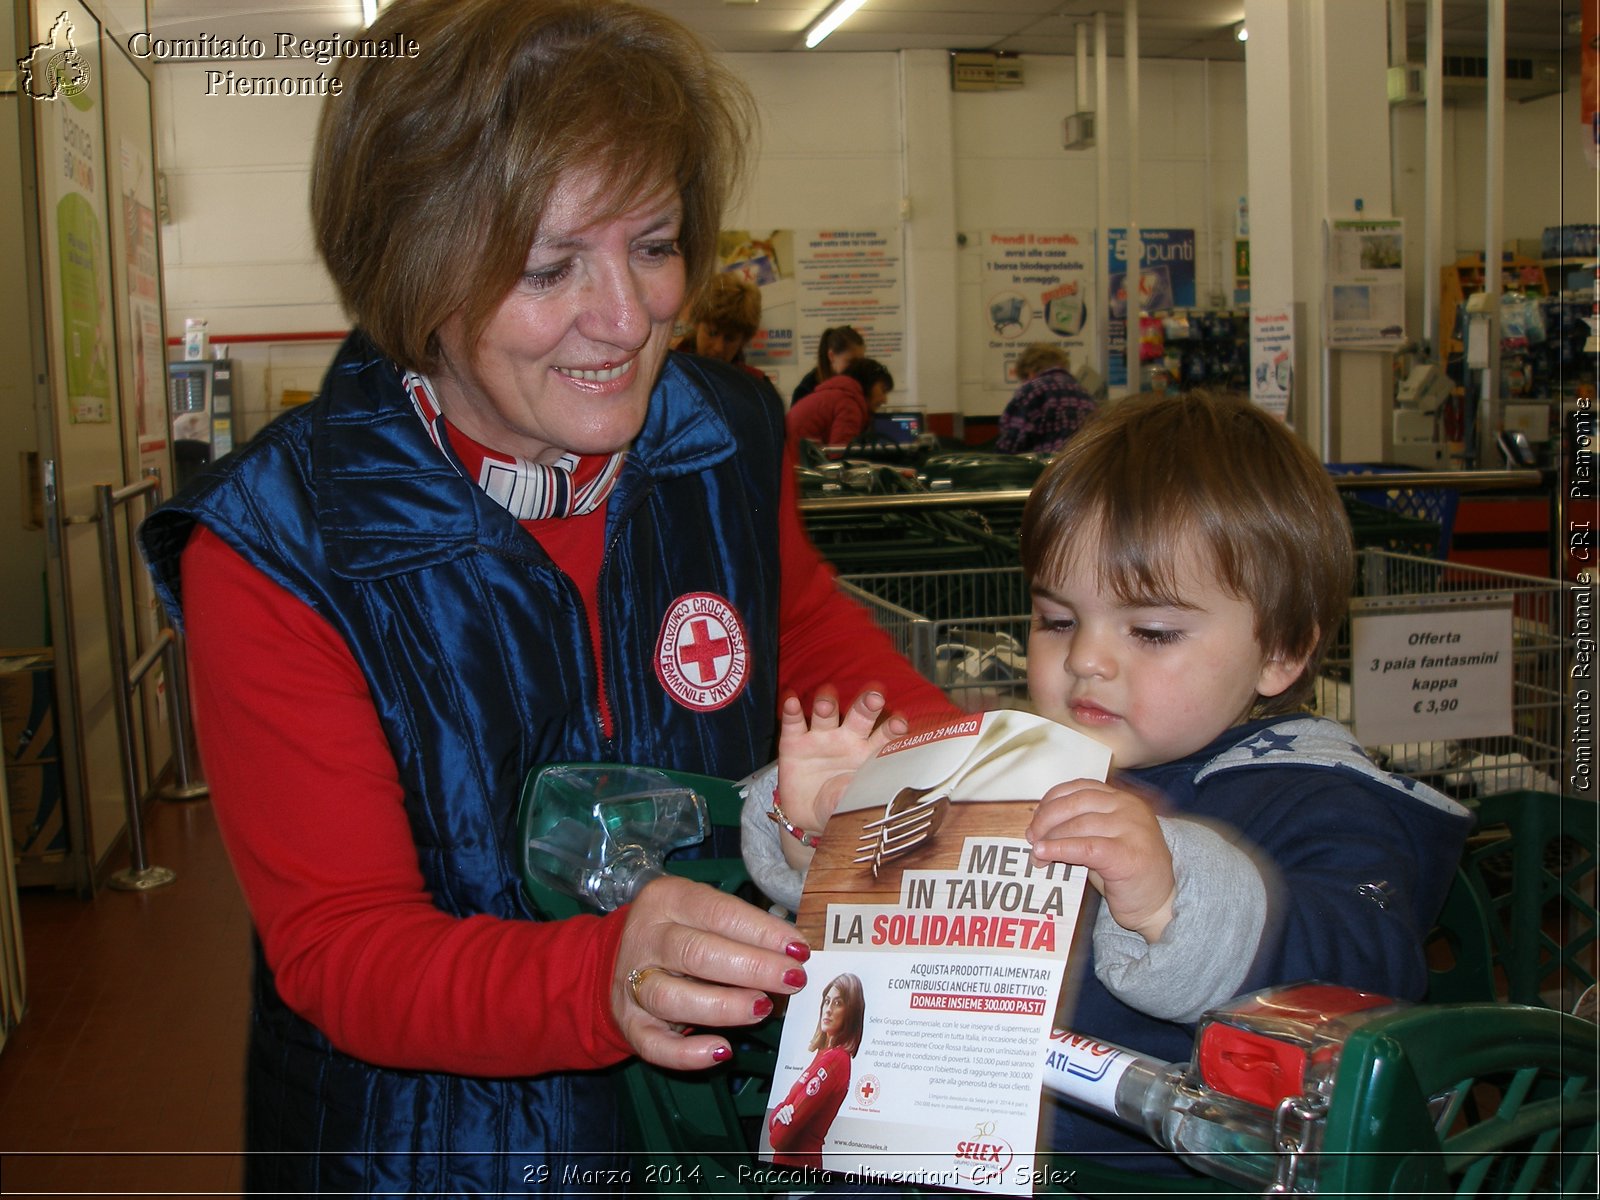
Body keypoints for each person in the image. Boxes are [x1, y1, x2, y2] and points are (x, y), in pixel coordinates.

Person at [136, 1, 953, 1192]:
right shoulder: (278, 544)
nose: (627, 320)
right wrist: (600, 976)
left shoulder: (721, 432)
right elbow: (342, 946)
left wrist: (997, 783)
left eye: (656, 244)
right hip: (429, 1150)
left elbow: (804, 633)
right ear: (415, 271)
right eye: (546, 265)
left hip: (712, 1125)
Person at [756, 390, 1473, 1174]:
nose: (1085, 660)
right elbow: (887, 938)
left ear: (1282, 650)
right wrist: (825, 827)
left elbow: (1369, 977)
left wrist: (1176, 902)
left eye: (1152, 631)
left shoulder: (1322, 800)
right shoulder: (1008, 765)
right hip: (927, 1150)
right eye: (1058, 620)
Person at [767, 973, 866, 1168]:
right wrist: (780, 1113)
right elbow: (785, 1106)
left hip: (801, 1175)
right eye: (827, 1001)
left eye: (838, 1003)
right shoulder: (823, 1054)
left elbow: (779, 1139)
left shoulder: (835, 1060)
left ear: (851, 1012)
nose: (828, 1010)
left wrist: (781, 1116)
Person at [673, 271, 773, 387]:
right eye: (712, 333)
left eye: (730, 339)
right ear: (697, 324)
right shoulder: (668, 373)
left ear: (743, 340)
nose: (718, 348)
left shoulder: (757, 387)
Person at [994, 343, 1096, 454]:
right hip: (1082, 463)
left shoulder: (1033, 389)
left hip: (1047, 467)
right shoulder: (1084, 393)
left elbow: (1012, 442)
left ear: (1030, 372)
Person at [785, 357, 894, 448]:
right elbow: (840, 455)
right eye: (883, 390)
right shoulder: (849, 404)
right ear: (868, 382)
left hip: (788, 459)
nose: (884, 400)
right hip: (796, 464)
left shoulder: (839, 395)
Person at [791, 325, 866, 404]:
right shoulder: (806, 390)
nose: (857, 367)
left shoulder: (861, 384)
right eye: (851, 361)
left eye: (860, 361)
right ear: (831, 356)